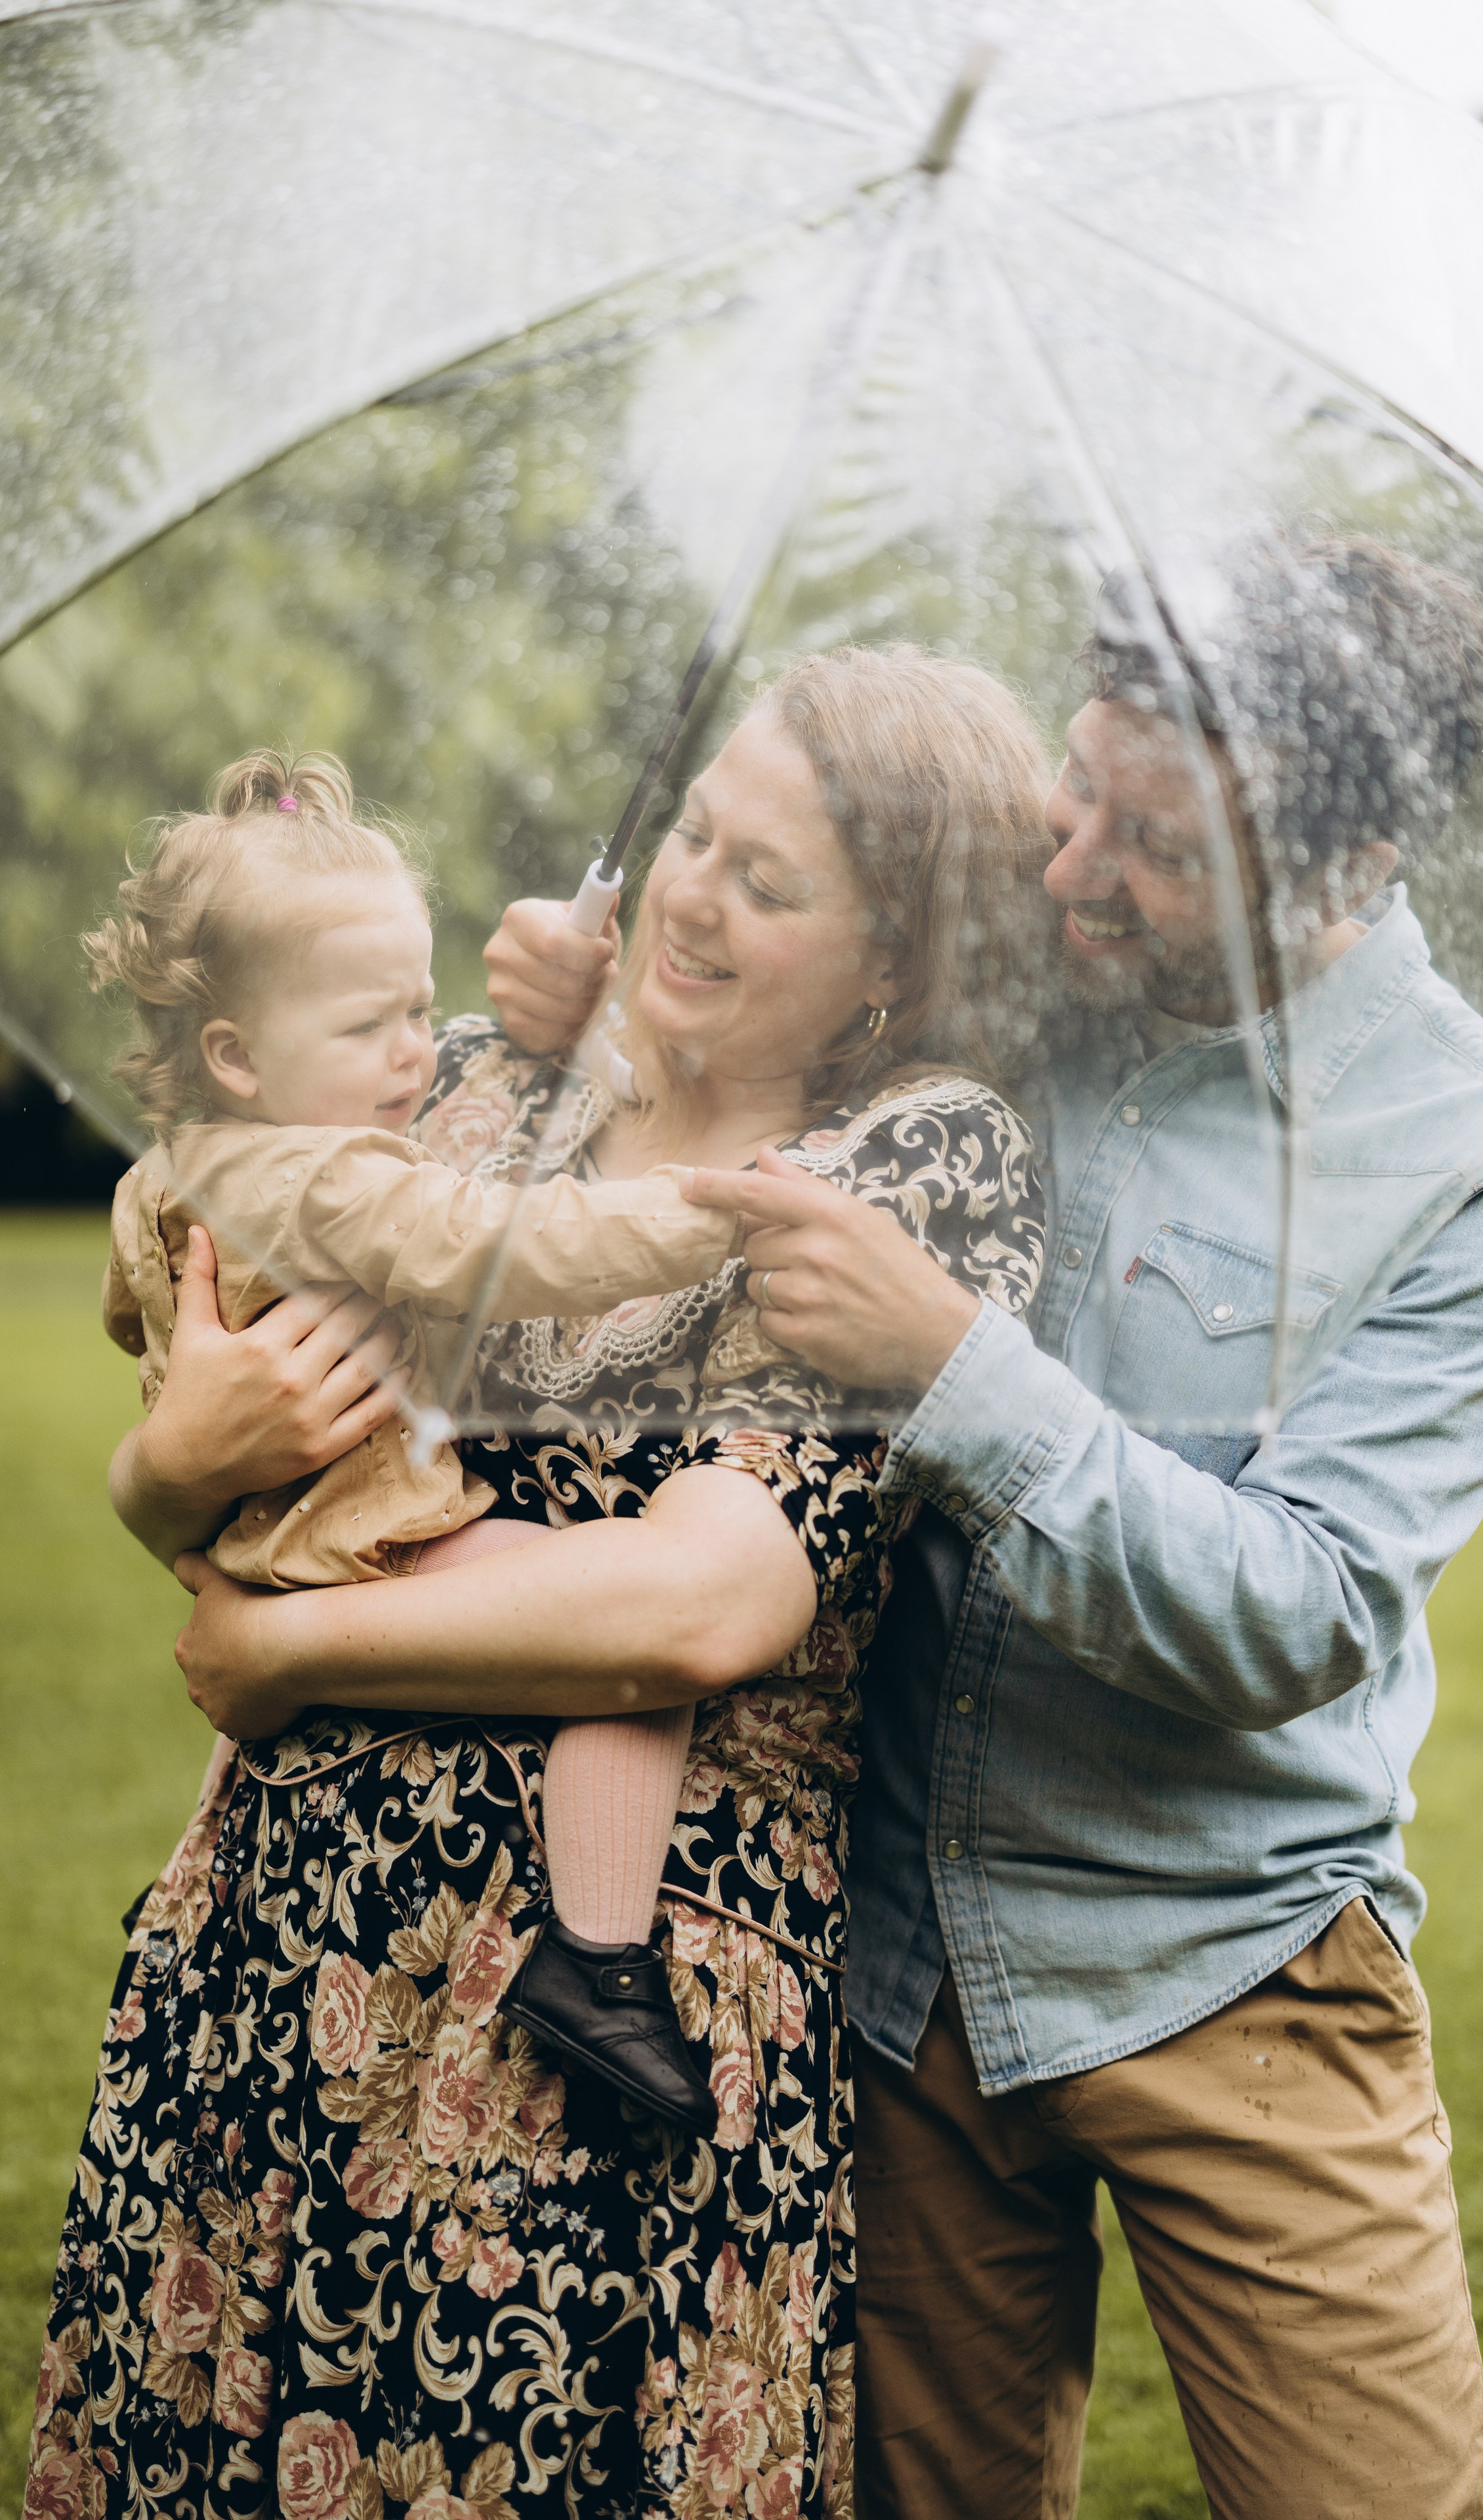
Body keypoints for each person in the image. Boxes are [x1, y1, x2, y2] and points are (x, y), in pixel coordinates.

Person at [24, 647, 1048, 2520]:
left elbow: (704, 1606)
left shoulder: (912, 1163)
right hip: (281, 1959)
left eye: (772, 880)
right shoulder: (499, 1085)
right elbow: (251, 1404)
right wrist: (158, 1469)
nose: (694, 893)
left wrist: (289, 1647)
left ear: (896, 954)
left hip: (598, 2036)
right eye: (697, 837)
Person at [610, 537, 1483, 2519]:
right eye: (1074, 795)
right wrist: (597, 1011)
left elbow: (1310, 1609)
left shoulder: (1453, 1153)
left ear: (1334, 870)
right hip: (899, 1959)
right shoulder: (1017, 972)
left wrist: (957, 1371)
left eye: (1155, 848)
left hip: (1241, 1969)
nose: (1071, 868)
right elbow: (740, 1049)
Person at [84, 746, 747, 2128]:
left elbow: (120, 1311)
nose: (415, 1054)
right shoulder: (333, 1176)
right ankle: (602, 1964)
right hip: (353, 1540)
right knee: (621, 1658)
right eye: (374, 1025)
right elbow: (510, 1244)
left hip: (255, 1536)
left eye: (422, 1009)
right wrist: (712, 1212)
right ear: (237, 1054)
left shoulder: (164, 1167)